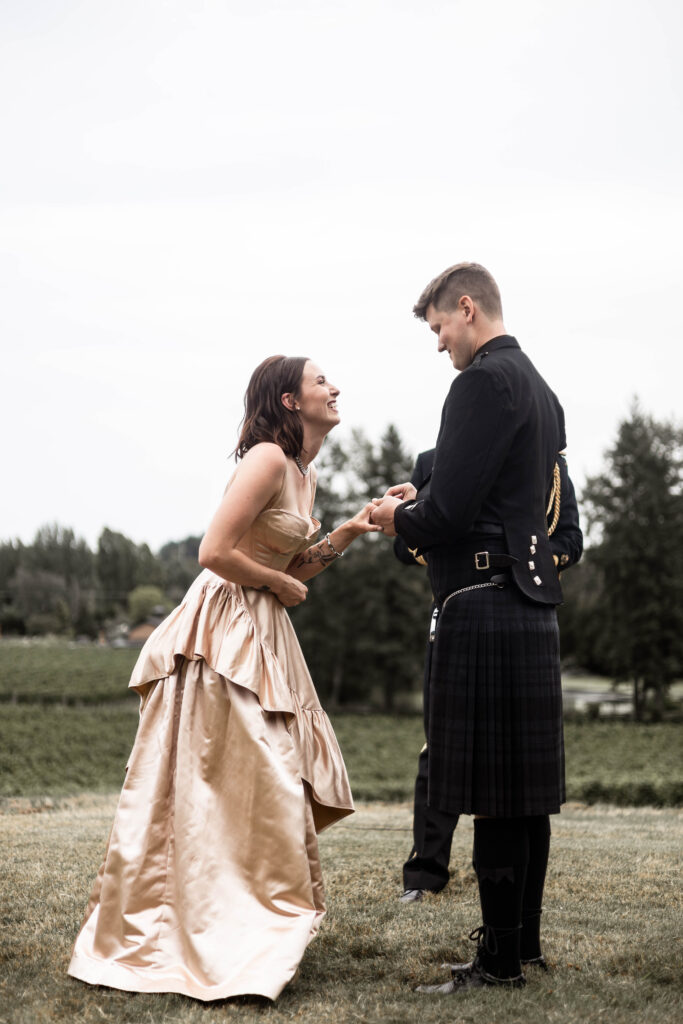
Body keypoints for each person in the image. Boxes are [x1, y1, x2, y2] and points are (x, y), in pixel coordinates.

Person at [68, 355, 381, 1002]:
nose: (335, 387)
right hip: (221, 633)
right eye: (321, 380)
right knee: (231, 781)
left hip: (262, 625)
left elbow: (292, 567)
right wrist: (273, 580)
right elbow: (216, 553)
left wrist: (350, 530)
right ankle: (206, 933)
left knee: (261, 787)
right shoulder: (265, 457)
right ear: (290, 400)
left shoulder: (304, 474)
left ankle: (245, 924)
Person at [371, 262, 579, 994]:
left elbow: (449, 515)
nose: (438, 346)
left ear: (466, 308)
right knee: (523, 790)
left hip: (482, 603)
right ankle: (522, 948)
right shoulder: (537, 386)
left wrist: (396, 514)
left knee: (494, 788)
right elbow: (500, 493)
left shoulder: (480, 382)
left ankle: (494, 964)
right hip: (526, 600)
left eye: (438, 329)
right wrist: (426, 493)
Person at [396, 450, 583, 904]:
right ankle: (425, 872)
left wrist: (520, 558)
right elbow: (405, 547)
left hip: (520, 607)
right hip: (457, 611)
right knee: (439, 747)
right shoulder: (433, 463)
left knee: (515, 757)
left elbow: (570, 541)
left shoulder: (545, 463)